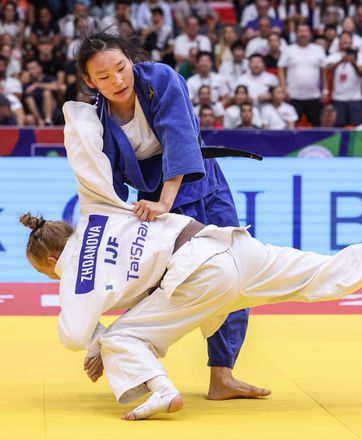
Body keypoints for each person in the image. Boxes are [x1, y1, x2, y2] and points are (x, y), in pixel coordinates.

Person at [20, 99, 362, 420]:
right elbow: (84, 155)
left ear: (53, 258)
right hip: (228, 245)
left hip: (198, 276)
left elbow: (74, 333)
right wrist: (83, 108)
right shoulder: (98, 211)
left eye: (45, 271)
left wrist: (96, 345)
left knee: (121, 339)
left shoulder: (73, 278)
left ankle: (161, 391)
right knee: (325, 273)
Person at [75, 32, 267, 400]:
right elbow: (106, 182)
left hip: (200, 184)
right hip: (150, 201)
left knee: (235, 269)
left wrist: (166, 201)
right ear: (89, 80)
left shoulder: (160, 78)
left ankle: (222, 374)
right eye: (104, 76)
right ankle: (120, 350)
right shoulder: (96, 121)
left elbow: (179, 137)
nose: (117, 80)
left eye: (121, 68)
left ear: (131, 61)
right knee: (151, 285)